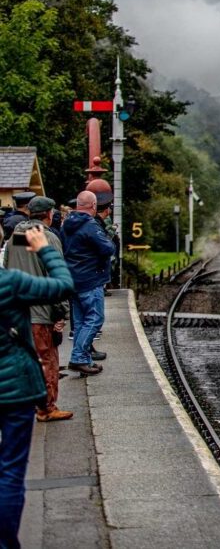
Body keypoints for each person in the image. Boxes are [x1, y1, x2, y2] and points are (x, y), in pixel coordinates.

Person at [0, 225, 74, 547]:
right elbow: (63, 285)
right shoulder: (9, 283)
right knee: (11, 472)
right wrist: (44, 248)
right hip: (14, 389)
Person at [3, 197, 72, 422]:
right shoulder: (48, 238)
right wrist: (62, 314)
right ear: (49, 214)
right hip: (42, 312)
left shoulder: (14, 239)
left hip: (18, 314)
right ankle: (47, 408)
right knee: (47, 359)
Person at [61, 191, 114, 376]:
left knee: (80, 321)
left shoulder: (66, 223)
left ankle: (84, 360)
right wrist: (109, 238)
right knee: (95, 319)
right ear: (93, 206)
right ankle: (77, 358)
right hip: (90, 279)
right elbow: (107, 248)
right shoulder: (90, 225)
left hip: (73, 279)